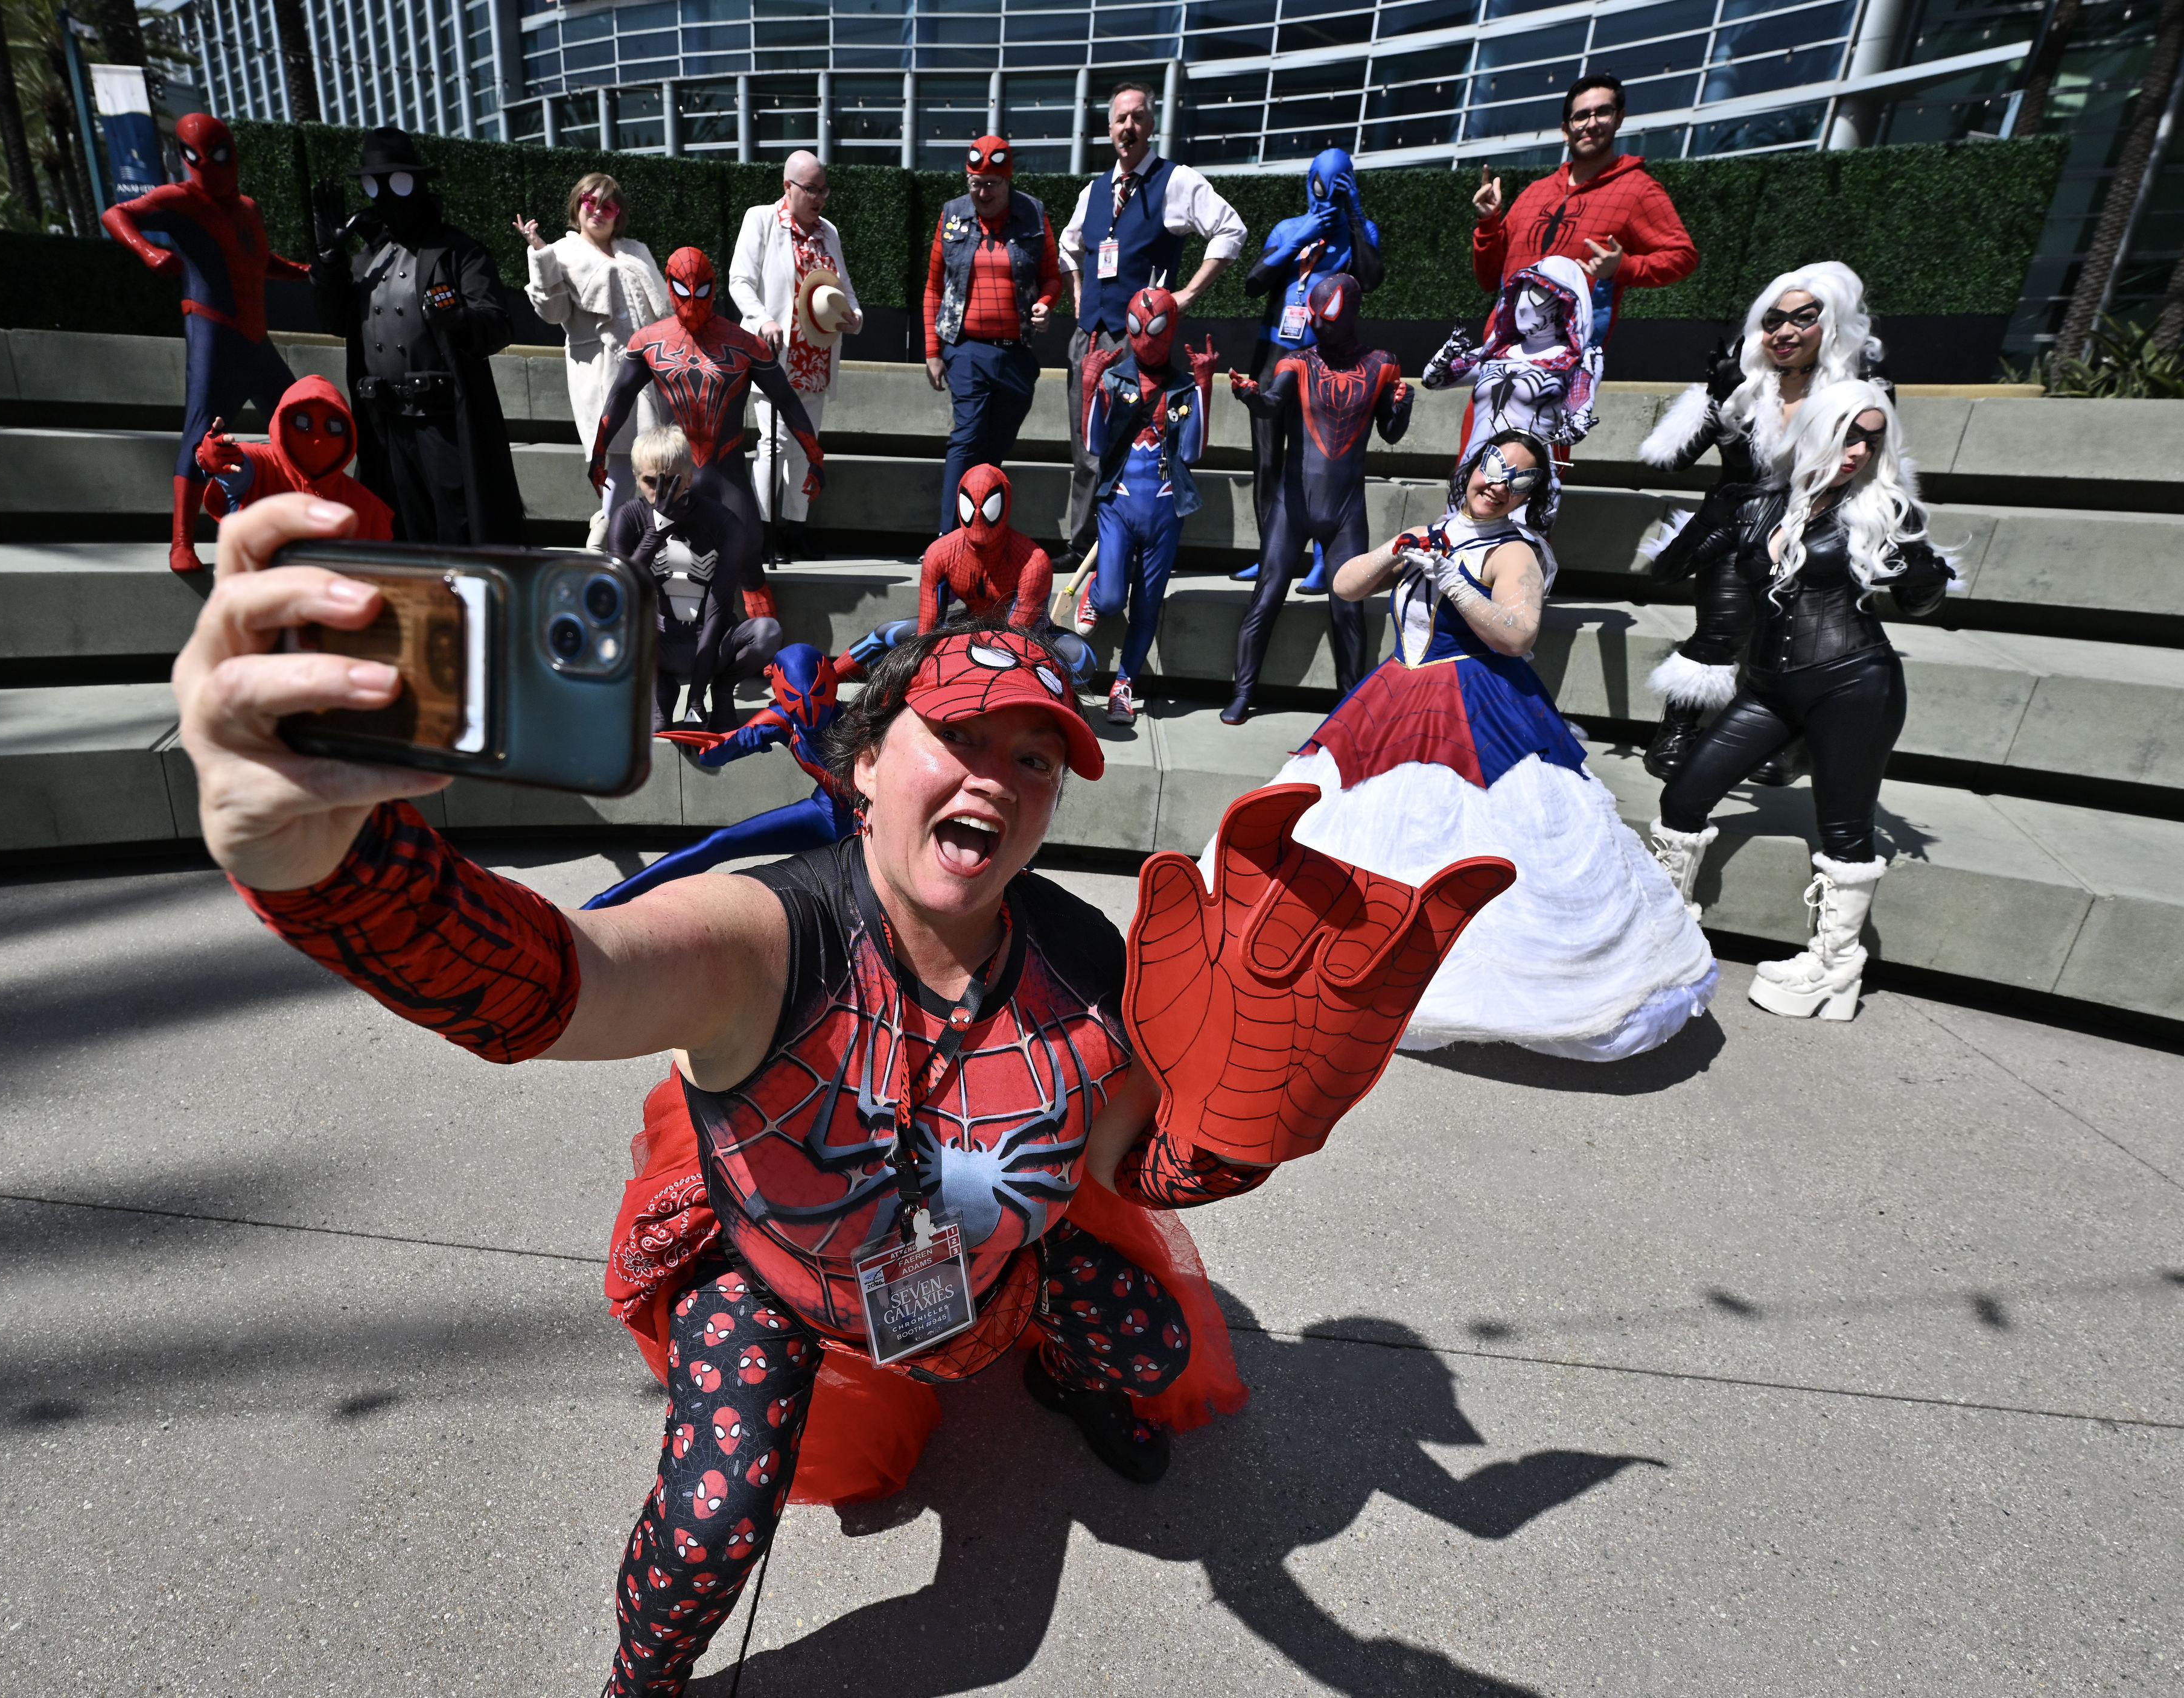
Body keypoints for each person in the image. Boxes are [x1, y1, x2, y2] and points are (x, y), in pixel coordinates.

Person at [171, 501, 1512, 1693]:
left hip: (996, 1278)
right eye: (958, 735)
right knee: (707, 1525)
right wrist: (331, 872)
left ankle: (1054, 1365)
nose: (996, 771)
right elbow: (549, 983)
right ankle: (642, 1684)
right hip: (778, 1278)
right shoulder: (770, 937)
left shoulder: (1079, 957)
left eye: (1035, 756)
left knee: (1153, 1355)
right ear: (868, 763)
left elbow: (1119, 1167)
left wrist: (1240, 1134)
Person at [1245, 430, 1718, 1061]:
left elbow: (1518, 636)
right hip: (1394, 696)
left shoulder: (1515, 552)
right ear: (1469, 466)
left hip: (1474, 707)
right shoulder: (1434, 528)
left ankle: (1435, 981)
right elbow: (1346, 585)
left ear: (1533, 492)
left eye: (1520, 477)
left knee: (1465, 843)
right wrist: (1397, 551)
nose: (1499, 482)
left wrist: (1453, 580)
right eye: (1493, 466)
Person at [1650, 383, 1955, 1022]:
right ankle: (1660, 931)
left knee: (1845, 830)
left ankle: (1833, 971)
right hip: (1769, 689)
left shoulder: (1881, 507)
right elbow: (1666, 571)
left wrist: (1925, 577)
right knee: (1682, 796)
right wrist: (1714, 517)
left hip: (1853, 685)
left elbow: (1920, 596)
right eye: (1848, 433)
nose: (1858, 451)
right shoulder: (1767, 503)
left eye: (1871, 438)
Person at [1637, 261, 1894, 782]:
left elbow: (1883, 472)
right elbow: (1668, 458)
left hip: (1815, 530)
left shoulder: (1858, 394)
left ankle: (1789, 738)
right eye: (1774, 320)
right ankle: (1680, 728)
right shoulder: (1741, 386)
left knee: (1802, 640)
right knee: (1718, 629)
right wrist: (1712, 398)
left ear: (1835, 326)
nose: (1785, 332)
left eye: (1803, 319)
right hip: (1736, 525)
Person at [101, 113, 308, 574]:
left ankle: (308, 521)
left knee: (298, 419)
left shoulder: (248, 209)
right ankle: (181, 542)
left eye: (216, 155)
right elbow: (116, 214)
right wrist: (147, 251)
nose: (207, 166)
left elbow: (254, 262)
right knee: (200, 431)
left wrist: (301, 272)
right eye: (196, 157)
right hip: (214, 332)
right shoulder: (180, 199)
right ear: (184, 157)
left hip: (255, 339)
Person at [1057, 83, 1246, 568]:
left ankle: (1127, 550)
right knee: (1087, 445)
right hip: (1091, 336)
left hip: (1140, 344)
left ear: (1151, 125)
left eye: (1138, 118)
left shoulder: (1176, 181)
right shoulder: (1095, 190)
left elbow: (1231, 230)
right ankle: (1082, 546)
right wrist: (1078, 289)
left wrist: (1187, 295)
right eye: (1121, 119)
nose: (1129, 127)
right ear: (1109, 129)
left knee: (1134, 449)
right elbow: (1068, 244)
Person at [311, 127, 525, 545]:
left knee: (459, 523)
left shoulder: (459, 251)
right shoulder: (367, 259)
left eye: (398, 183)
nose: (387, 197)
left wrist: (459, 319)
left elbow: (497, 323)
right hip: (385, 424)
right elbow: (336, 320)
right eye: (376, 185)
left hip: (443, 421)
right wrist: (329, 262)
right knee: (399, 525)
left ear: (418, 184)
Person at [592, 247, 823, 625]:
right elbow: (618, 398)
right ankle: (659, 657)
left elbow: (786, 400)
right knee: (661, 568)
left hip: (724, 472)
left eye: (701, 292)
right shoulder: (648, 341)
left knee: (749, 564)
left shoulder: (745, 344)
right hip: (673, 478)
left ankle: (764, 658)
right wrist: (599, 452)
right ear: (669, 287)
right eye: (683, 291)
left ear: (713, 289)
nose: (692, 303)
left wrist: (815, 455)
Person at [1223, 274, 1411, 725]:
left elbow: (1390, 432)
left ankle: (1351, 707)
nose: (1317, 327)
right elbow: (1272, 405)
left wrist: (1404, 407)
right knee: (1266, 597)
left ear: (1350, 317)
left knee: (1348, 609)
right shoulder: (1297, 363)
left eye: (1326, 320)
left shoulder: (1383, 364)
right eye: (1313, 318)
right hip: (1293, 505)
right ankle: (1242, 693)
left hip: (1346, 510)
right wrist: (1250, 396)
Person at [583, 644, 854, 911]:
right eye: (795, 699)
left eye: (817, 693)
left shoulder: (861, 720)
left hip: (869, 820)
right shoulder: (781, 720)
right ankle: (602, 903)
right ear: (780, 692)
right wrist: (737, 743)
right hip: (827, 812)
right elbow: (709, 758)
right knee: (719, 843)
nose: (808, 708)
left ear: (830, 684)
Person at [1234, 147, 1385, 594]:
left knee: (1314, 463)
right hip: (1273, 357)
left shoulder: (1359, 232)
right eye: (1323, 185)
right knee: (1267, 461)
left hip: (1323, 367)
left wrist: (1354, 217)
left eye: (1340, 185)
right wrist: (1299, 237)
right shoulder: (1288, 228)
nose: (1328, 195)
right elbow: (1254, 282)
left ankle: (1323, 559)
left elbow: (1372, 278)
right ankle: (1270, 555)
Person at [1469, 74, 1696, 354]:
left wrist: (1623, 268)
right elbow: (1489, 279)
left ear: (1620, 118)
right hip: (1498, 355)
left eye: (1602, 112)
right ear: (1566, 129)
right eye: (1581, 116)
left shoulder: (1638, 189)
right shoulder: (1535, 193)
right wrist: (1488, 223)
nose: (1591, 123)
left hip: (1565, 363)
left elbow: (1683, 256)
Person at [1080, 288, 1218, 725]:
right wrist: (1088, 388)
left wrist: (1204, 388)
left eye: (1155, 329)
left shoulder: (1181, 386)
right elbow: (1093, 445)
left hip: (1164, 509)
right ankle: (1097, 591)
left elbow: (1193, 453)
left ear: (1172, 330)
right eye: (1137, 329)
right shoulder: (1114, 378)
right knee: (1114, 597)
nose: (1144, 339)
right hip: (1118, 503)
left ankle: (1124, 685)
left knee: (1146, 605)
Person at [515, 173, 669, 550]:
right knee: (617, 456)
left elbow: (663, 309)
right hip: (600, 370)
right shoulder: (561, 253)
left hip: (649, 368)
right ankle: (605, 538)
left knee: (654, 455)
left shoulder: (636, 251)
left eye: (608, 206)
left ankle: (643, 535)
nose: (598, 211)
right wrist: (538, 252)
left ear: (619, 214)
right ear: (577, 205)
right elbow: (552, 314)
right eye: (590, 202)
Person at [835, 464, 1093, 681]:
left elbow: (1014, 636)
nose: (979, 514)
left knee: (1082, 661)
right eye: (972, 504)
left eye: (987, 504)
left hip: (1027, 639)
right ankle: (828, 678)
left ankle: (1044, 705)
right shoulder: (941, 554)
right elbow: (928, 629)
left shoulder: (1033, 561)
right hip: (967, 626)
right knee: (887, 633)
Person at [923, 135, 1061, 537]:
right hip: (965, 349)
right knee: (966, 440)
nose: (982, 192)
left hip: (1016, 355)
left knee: (994, 452)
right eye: (974, 183)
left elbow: (1051, 274)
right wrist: (933, 351)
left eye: (991, 184)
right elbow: (933, 287)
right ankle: (946, 541)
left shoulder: (1034, 215)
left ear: (1008, 180)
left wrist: (1048, 303)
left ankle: (982, 538)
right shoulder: (952, 215)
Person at [731, 151, 865, 563]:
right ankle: (761, 531)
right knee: (773, 445)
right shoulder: (762, 220)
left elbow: (844, 288)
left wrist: (855, 318)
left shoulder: (829, 232)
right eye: (811, 189)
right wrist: (761, 320)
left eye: (823, 189)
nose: (819, 197)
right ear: (787, 186)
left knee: (806, 448)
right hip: (773, 356)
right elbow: (740, 281)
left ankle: (796, 530)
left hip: (816, 358)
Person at [606, 425, 783, 732]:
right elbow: (622, 590)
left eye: (672, 481)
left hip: (713, 640)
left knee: (767, 632)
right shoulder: (628, 518)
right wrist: (655, 531)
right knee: (609, 620)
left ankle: (723, 689)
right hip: (657, 640)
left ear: (689, 478)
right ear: (635, 477)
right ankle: (661, 688)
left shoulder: (723, 523)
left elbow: (718, 608)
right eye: (651, 481)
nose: (661, 492)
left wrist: (698, 697)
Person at [1422, 254, 1600, 457]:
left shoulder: (1577, 361)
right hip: (1473, 470)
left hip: (1527, 477)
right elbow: (1433, 380)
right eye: (1518, 295)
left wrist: (1575, 424)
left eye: (1538, 295)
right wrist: (1446, 354)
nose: (1523, 306)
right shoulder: (1494, 354)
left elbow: (1576, 420)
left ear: (1565, 303)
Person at [194, 375, 390, 543]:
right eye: (302, 422)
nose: (317, 438)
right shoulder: (262, 467)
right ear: (282, 422)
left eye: (334, 426)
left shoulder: (366, 507)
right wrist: (216, 455)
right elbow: (238, 467)